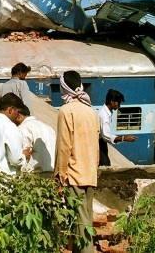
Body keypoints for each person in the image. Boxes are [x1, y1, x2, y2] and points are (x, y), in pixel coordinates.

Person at [55, 71, 99, 253]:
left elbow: (64, 147)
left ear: (64, 87)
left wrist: (59, 175)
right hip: (89, 174)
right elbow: (96, 147)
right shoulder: (91, 112)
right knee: (84, 223)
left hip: (74, 176)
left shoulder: (66, 111)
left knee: (80, 227)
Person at [97, 89, 136, 166]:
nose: (119, 106)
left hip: (102, 143)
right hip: (99, 143)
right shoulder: (104, 115)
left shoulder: (106, 113)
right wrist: (124, 138)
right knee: (105, 165)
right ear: (112, 102)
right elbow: (106, 135)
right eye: (118, 103)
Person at [15, 105, 56, 173]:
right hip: (52, 172)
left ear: (19, 115)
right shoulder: (49, 127)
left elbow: (24, 154)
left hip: (35, 175)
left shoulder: (23, 127)